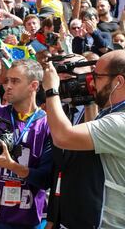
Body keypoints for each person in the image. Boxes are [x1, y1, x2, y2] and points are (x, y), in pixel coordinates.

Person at [42, 49, 125, 228]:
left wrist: (51, 90)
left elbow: (63, 136)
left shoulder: (119, 121)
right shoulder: (112, 113)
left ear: (119, 82)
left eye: (97, 76)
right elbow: (89, 150)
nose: (91, 83)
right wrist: (89, 101)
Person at [0, 59, 52, 228]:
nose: (8, 86)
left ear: (33, 85)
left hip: (30, 218)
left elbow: (45, 179)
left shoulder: (48, 124)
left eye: (15, 81)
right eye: (6, 81)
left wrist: (10, 165)